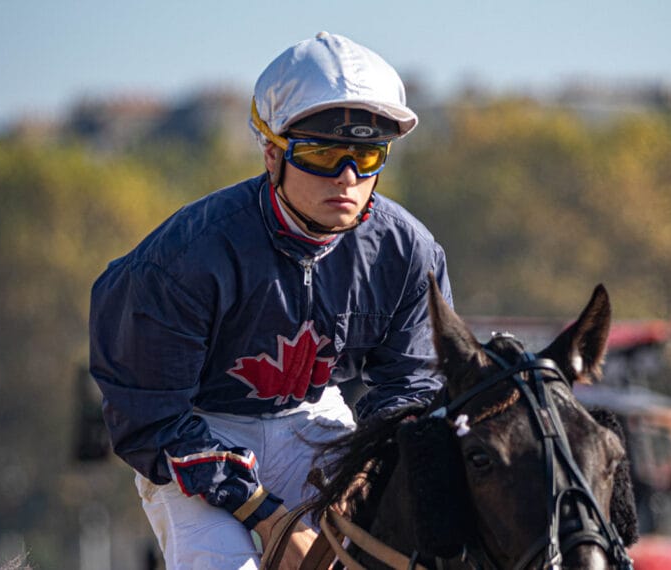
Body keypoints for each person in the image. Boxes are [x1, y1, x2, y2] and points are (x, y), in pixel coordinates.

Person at [89, 31, 452, 569]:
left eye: (367, 154)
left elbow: (413, 387)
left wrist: (365, 474)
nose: (348, 177)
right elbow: (151, 418)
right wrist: (269, 517)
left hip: (315, 415)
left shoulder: (408, 251)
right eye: (323, 153)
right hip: (198, 430)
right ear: (271, 152)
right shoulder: (183, 258)